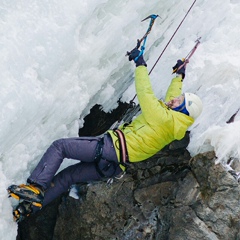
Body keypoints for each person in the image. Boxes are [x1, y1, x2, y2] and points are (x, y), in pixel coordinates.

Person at [8, 49, 203, 222]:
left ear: (183, 110)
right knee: (67, 178)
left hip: (111, 148)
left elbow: (145, 94)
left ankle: (35, 187)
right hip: (113, 167)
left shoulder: (164, 118)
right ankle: (28, 210)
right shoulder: (175, 123)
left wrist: (141, 64)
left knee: (60, 147)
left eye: (180, 101)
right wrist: (179, 76)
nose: (175, 99)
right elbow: (172, 98)